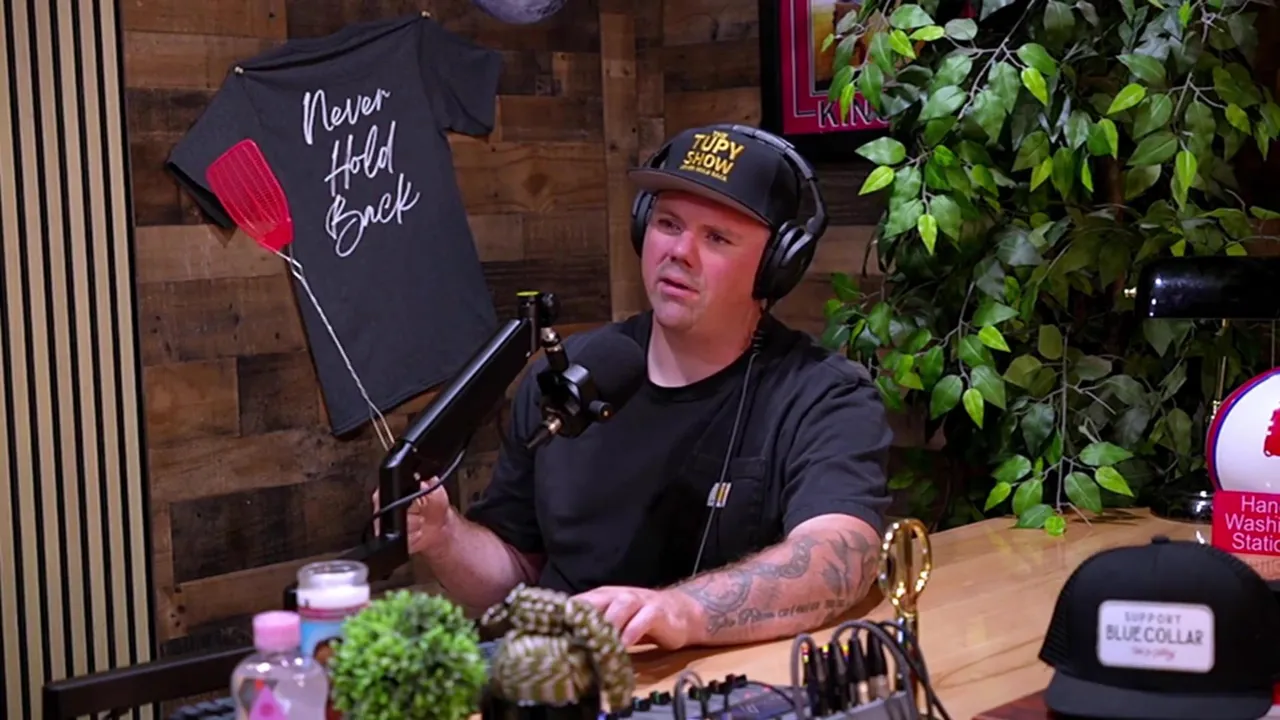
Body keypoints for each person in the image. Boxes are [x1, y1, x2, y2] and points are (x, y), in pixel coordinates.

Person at [387, 124, 893, 651]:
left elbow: (841, 556)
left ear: (776, 267)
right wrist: (444, 535)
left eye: (716, 238)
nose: (680, 252)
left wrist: (682, 611)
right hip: (560, 677)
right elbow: (515, 578)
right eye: (668, 224)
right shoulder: (563, 378)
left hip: (722, 680)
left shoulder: (824, 397)